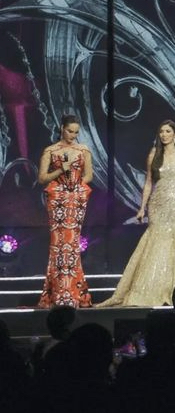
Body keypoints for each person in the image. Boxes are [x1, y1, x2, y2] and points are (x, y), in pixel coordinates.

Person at [100, 120, 175, 306]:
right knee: (155, 240)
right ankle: (153, 286)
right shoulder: (154, 154)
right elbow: (148, 182)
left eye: (168, 131)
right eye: (161, 131)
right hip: (157, 203)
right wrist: (142, 207)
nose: (164, 135)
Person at [37, 114, 94, 308]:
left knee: (72, 243)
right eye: (70, 131)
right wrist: (61, 169)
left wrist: (75, 187)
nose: (73, 135)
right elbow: (42, 178)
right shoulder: (51, 151)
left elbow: (89, 176)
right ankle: (57, 292)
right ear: (62, 128)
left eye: (76, 132)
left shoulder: (83, 150)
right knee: (58, 244)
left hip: (76, 198)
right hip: (57, 199)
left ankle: (74, 291)